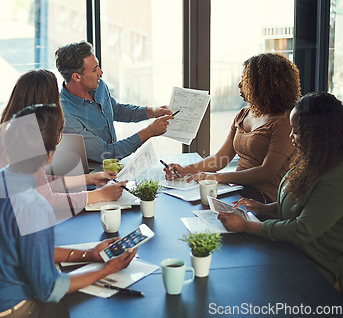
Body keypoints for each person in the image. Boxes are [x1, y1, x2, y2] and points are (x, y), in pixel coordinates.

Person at [0, 104, 137, 317]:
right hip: (15, 310)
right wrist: (106, 271)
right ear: (49, 156)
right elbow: (50, 289)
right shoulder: (33, 206)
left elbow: (22, 247)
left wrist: (90, 255)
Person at [218, 92, 343, 293]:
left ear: (320, 134)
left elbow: (301, 229)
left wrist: (246, 226)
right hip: (290, 252)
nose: (290, 136)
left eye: (296, 131)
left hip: (318, 268)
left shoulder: (336, 180)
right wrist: (264, 207)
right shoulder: (314, 158)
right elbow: (300, 203)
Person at [0, 69, 127, 214]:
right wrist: (99, 196)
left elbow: (42, 184)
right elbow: (47, 200)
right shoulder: (27, 144)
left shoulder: (8, 135)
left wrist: (88, 179)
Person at [164, 53, 300, 203]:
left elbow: (266, 172)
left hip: (264, 198)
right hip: (239, 189)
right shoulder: (244, 114)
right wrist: (185, 169)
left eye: (245, 80)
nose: (240, 85)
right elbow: (220, 159)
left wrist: (217, 177)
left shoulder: (284, 122)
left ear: (264, 85)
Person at [55, 40, 174, 162]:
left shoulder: (98, 86)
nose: (101, 73)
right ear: (76, 77)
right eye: (95, 70)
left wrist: (152, 112)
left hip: (112, 166)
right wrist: (149, 132)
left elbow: (115, 110)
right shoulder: (65, 115)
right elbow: (106, 153)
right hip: (92, 174)